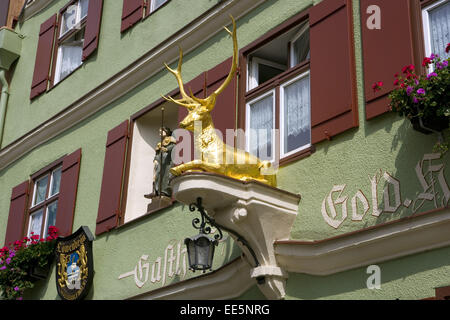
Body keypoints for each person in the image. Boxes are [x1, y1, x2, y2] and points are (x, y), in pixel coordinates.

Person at [145, 127, 176, 198]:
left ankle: (165, 191)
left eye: (161, 131)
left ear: (166, 131)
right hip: (160, 160)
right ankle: (155, 191)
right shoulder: (160, 143)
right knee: (157, 175)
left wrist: (167, 149)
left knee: (166, 175)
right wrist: (155, 159)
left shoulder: (171, 139)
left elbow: (173, 147)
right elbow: (157, 153)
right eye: (159, 132)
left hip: (167, 161)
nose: (160, 133)